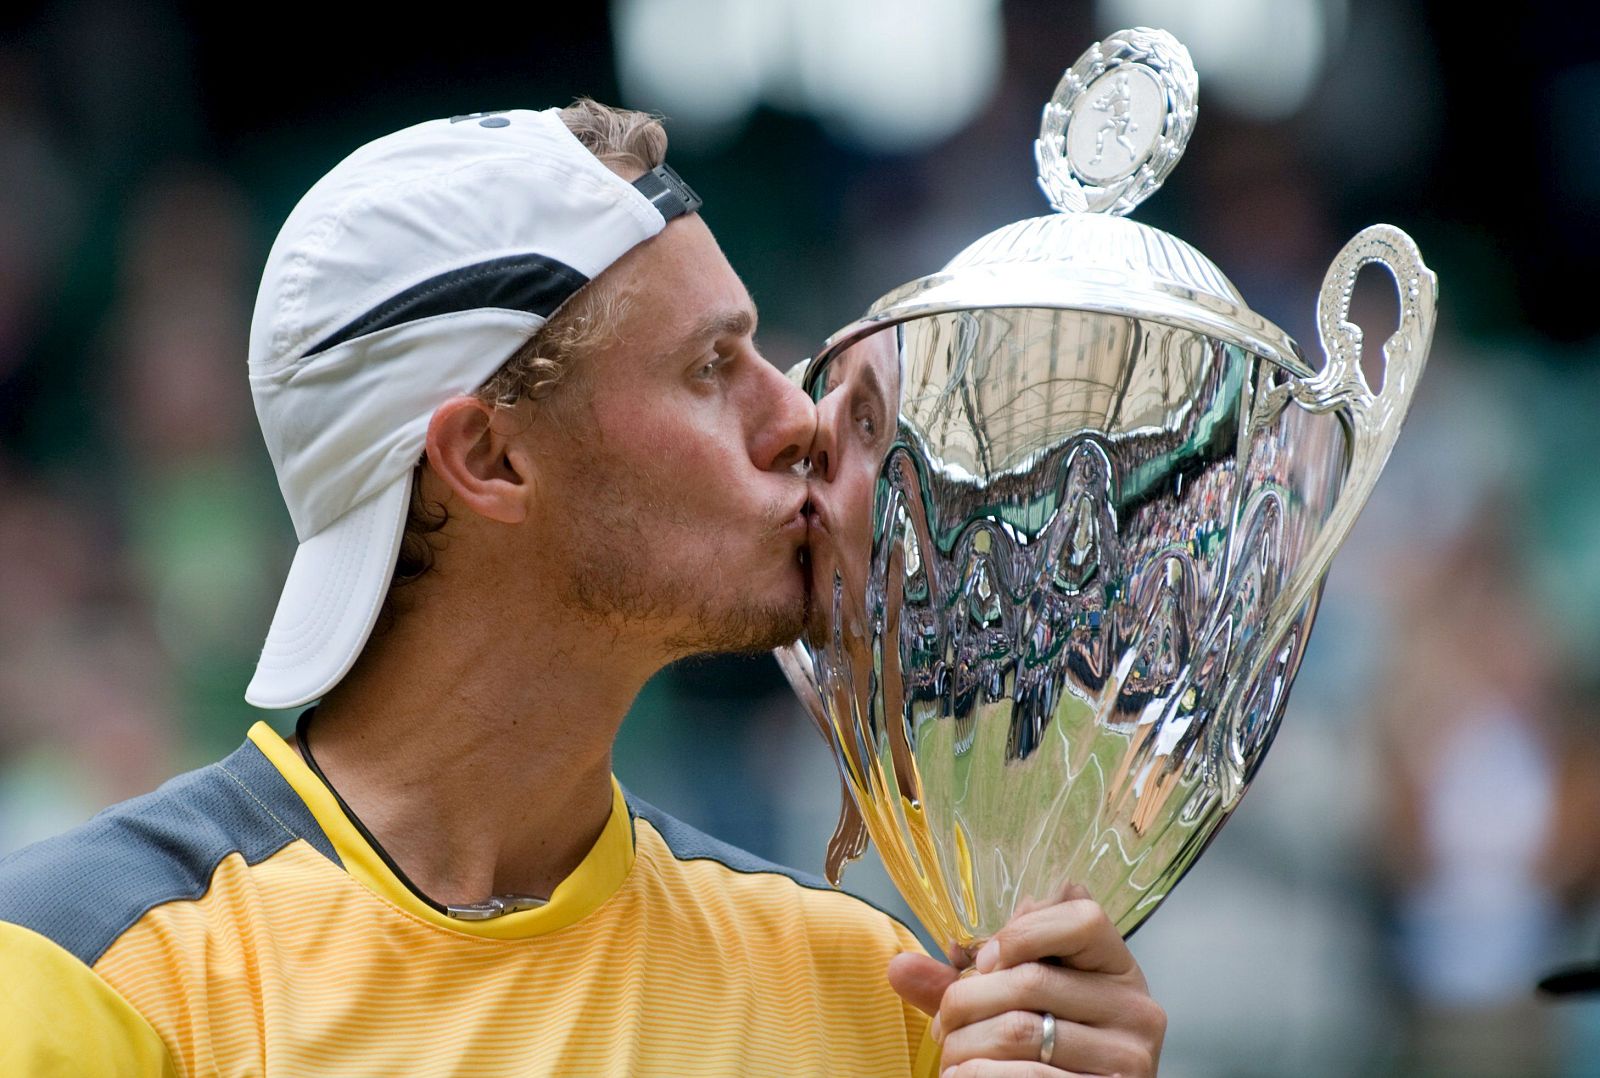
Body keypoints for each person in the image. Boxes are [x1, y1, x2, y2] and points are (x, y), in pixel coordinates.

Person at [0, 100, 1165, 1076]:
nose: (799, 418)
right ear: (491, 458)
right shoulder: (78, 966)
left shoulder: (878, 992)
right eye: (713, 368)